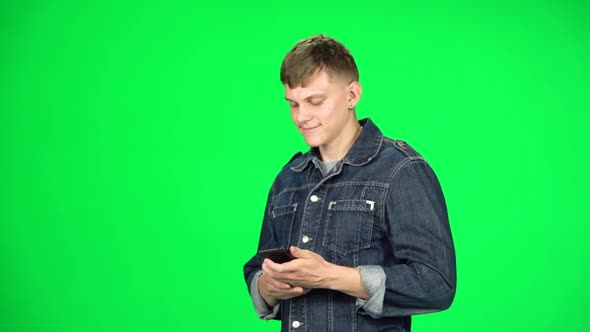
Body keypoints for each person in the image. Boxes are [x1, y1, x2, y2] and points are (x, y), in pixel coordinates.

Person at [243, 34, 456, 331]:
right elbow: (258, 269)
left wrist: (330, 276)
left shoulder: (401, 170)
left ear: (352, 96)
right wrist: (269, 286)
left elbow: (436, 284)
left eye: (315, 101)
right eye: (293, 104)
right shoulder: (288, 179)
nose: (302, 117)